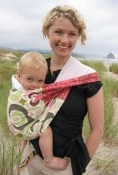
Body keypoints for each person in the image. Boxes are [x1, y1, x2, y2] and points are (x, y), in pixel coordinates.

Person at [27, 5, 104, 175]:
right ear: (47, 31)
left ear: (79, 37)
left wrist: (78, 166)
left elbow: (97, 129)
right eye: (59, 32)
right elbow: (27, 110)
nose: (65, 40)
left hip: (65, 164)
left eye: (72, 34)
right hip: (32, 156)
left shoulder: (88, 78)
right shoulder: (36, 72)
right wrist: (24, 146)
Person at [7, 52, 69, 170]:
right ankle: (49, 159)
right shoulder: (18, 91)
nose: (35, 85)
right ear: (19, 76)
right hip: (19, 126)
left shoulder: (19, 83)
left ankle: (25, 143)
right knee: (46, 130)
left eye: (40, 81)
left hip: (23, 122)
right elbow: (30, 104)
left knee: (30, 120)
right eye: (30, 79)